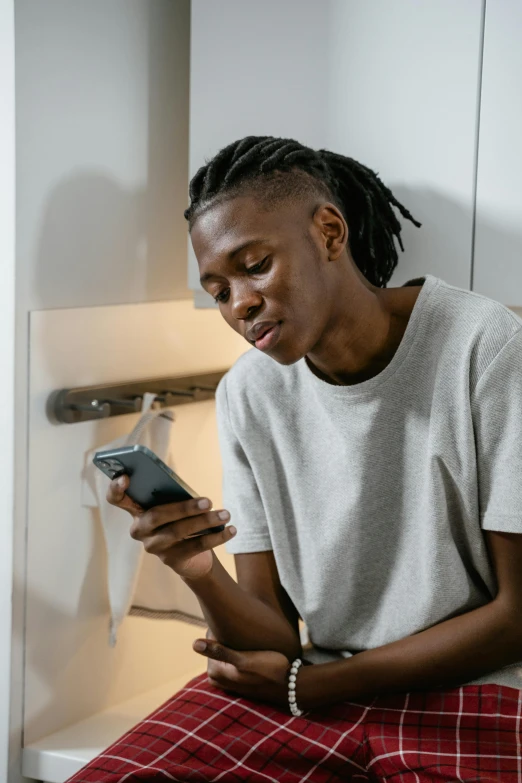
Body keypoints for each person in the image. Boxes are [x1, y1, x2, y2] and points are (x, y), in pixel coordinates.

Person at [69, 136, 522, 782]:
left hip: (479, 690)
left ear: (329, 231)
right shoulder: (248, 396)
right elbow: (273, 639)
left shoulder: (486, 346)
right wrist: (195, 565)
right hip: (313, 692)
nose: (238, 305)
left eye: (254, 265)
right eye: (218, 290)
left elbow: (517, 615)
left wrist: (314, 684)